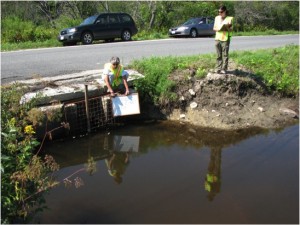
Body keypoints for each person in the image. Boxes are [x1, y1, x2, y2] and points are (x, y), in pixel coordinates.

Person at [213, 6, 234, 74]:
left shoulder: (229, 18)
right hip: (217, 38)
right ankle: (218, 68)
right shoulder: (217, 18)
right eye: (219, 12)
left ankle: (224, 69)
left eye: (221, 12)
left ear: (225, 11)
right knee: (218, 55)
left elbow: (231, 29)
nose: (220, 13)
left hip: (225, 38)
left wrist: (228, 27)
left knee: (225, 54)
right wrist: (218, 29)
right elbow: (214, 28)